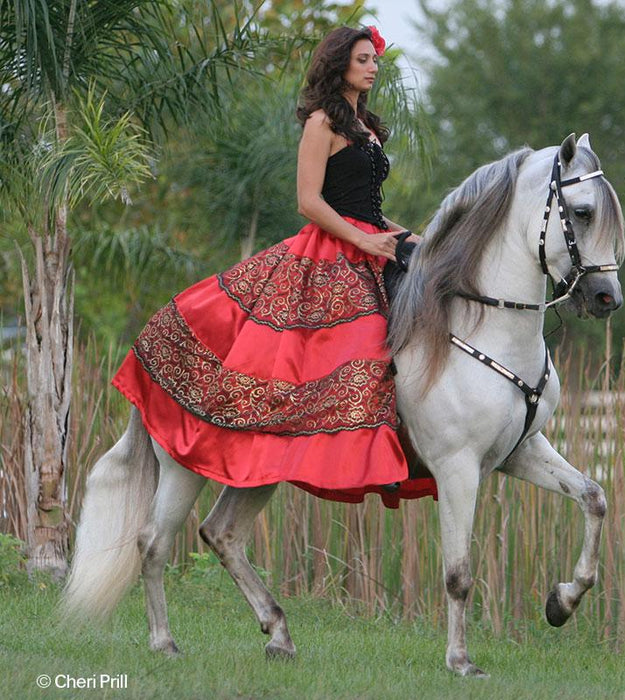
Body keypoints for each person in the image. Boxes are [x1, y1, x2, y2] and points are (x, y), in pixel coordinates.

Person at [112, 26, 432, 507]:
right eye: (363, 59)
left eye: (374, 61)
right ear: (339, 65)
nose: (372, 68)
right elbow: (309, 201)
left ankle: (405, 446)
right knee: (364, 343)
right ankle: (364, 456)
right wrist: (363, 239)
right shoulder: (322, 122)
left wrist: (416, 241)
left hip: (370, 244)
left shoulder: (365, 126)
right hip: (332, 253)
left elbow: (368, 207)